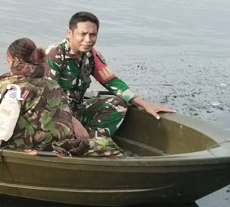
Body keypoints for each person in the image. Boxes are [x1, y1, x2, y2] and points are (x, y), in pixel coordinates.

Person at [0, 38, 120, 156]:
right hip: (50, 142)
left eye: (8, 62)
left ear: (14, 62)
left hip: (24, 146)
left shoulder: (14, 90)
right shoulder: (51, 84)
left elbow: (3, 132)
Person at [45, 11, 175, 136]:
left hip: (74, 109)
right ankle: (77, 139)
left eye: (93, 35)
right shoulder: (55, 54)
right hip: (51, 113)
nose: (88, 39)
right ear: (70, 33)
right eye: (83, 34)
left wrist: (145, 104)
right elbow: (48, 96)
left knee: (119, 103)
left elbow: (112, 82)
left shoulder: (91, 56)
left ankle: (89, 141)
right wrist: (73, 122)